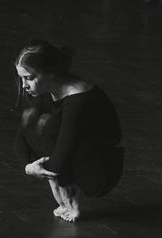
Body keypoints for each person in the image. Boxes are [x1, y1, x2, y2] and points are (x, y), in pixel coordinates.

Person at [14, 39, 123, 222]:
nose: (24, 85)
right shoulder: (49, 89)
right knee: (34, 122)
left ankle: (71, 200)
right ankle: (66, 197)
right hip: (76, 155)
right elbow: (21, 136)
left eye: (29, 78)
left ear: (50, 72)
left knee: (45, 123)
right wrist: (28, 167)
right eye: (21, 78)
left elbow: (64, 148)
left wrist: (52, 177)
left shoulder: (78, 98)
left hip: (99, 171)